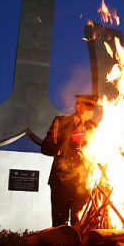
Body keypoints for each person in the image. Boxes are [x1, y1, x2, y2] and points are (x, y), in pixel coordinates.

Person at [41, 95, 97, 227]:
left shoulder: (94, 127)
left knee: (81, 222)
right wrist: (65, 147)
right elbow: (46, 147)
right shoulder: (60, 122)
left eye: (93, 108)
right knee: (60, 223)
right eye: (88, 107)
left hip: (83, 183)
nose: (91, 111)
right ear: (79, 107)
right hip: (61, 181)